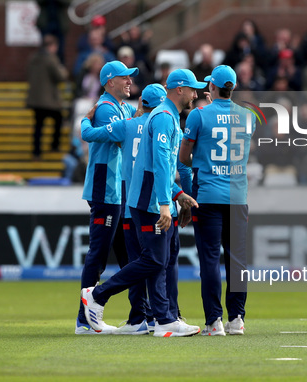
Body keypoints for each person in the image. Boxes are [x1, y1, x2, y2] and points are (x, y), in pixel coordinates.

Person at [80, 69, 205, 338]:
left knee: (155, 260)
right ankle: (98, 295)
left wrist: (177, 196)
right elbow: (160, 163)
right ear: (179, 90)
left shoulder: (139, 121)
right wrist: (165, 201)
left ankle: (159, 319)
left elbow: (155, 163)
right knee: (156, 260)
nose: (196, 94)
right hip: (148, 201)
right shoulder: (163, 118)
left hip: (140, 198)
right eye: (193, 89)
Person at [179, 65, 255, 336]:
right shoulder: (248, 116)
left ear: (212, 87)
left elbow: (183, 157)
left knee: (210, 260)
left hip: (208, 196)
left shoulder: (199, 115)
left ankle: (214, 321)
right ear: (232, 88)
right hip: (237, 196)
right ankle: (237, 319)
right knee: (238, 260)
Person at [75, 60, 138, 334]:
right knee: (98, 256)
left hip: (118, 188)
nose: (129, 82)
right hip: (106, 189)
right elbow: (125, 133)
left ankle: (141, 315)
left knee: (128, 255)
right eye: (124, 78)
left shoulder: (121, 107)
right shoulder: (105, 108)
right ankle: (84, 320)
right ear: (109, 81)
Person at [26, 34, 68, 160]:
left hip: (35, 99)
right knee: (59, 119)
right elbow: (60, 77)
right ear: (52, 46)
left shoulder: (33, 58)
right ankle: (54, 146)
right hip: (49, 100)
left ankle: (36, 152)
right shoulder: (51, 59)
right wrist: (63, 70)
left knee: (38, 126)